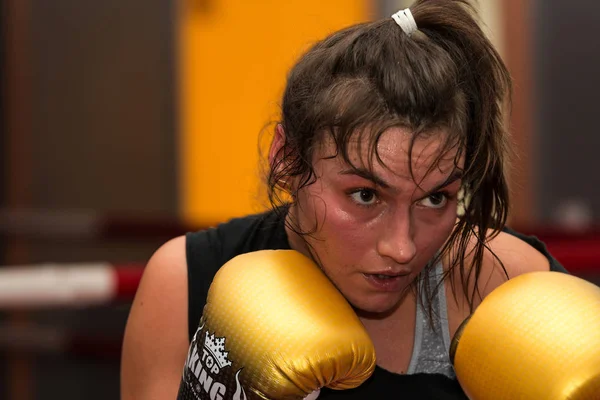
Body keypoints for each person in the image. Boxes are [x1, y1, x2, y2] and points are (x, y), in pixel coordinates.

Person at [120, 0, 568, 399]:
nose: (402, 247)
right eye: (365, 195)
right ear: (289, 159)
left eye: (436, 198)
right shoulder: (184, 282)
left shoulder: (500, 281)